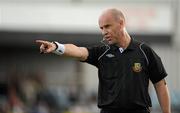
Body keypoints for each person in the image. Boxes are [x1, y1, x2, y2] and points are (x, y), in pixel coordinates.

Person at [36, 8, 171, 113]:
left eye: (107, 26)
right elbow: (79, 51)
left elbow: (160, 85)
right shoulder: (102, 52)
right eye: (101, 28)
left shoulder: (144, 51)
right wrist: (56, 47)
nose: (104, 32)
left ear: (121, 23)